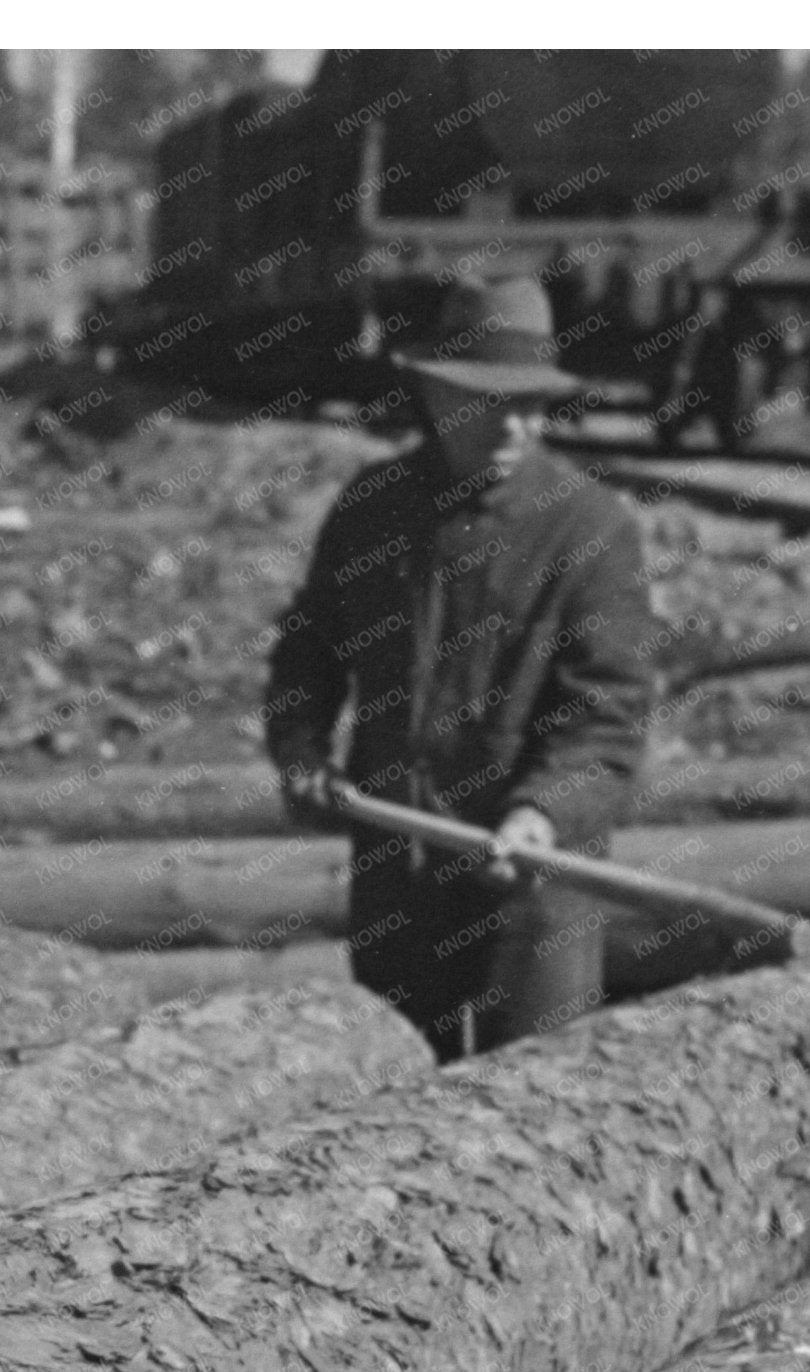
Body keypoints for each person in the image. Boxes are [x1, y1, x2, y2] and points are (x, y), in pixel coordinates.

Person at [264, 274, 660, 1060]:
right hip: (399, 875)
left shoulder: (591, 529)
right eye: (493, 403)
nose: (518, 426)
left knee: (535, 1106)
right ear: (437, 395)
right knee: (400, 1107)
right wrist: (300, 747)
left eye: (535, 406)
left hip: (534, 886)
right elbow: (310, 648)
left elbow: (608, 719)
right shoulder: (372, 509)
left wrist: (543, 812)